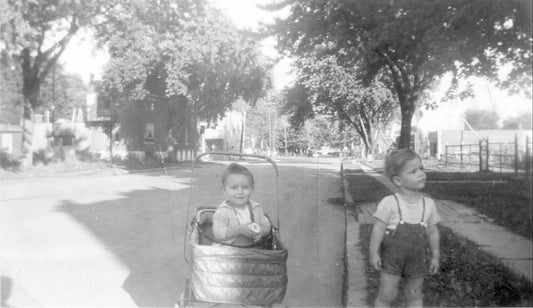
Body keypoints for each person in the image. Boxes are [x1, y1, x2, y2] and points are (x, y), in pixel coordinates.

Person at [369, 148, 441, 307]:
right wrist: (374, 252)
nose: (421, 173)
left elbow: (433, 232)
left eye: (421, 168)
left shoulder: (428, 204)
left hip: (416, 261)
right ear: (398, 181)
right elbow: (378, 228)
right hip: (392, 260)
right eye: (413, 171)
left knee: (414, 295)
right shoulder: (390, 203)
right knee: (386, 294)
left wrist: (435, 256)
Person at [212, 163, 271, 246]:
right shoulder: (222, 212)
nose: (240, 192)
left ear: (252, 189)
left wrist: (261, 231)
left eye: (245, 187)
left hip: (251, 251)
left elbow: (267, 226)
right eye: (234, 188)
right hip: (226, 252)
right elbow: (218, 234)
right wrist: (239, 229)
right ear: (224, 190)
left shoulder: (256, 208)